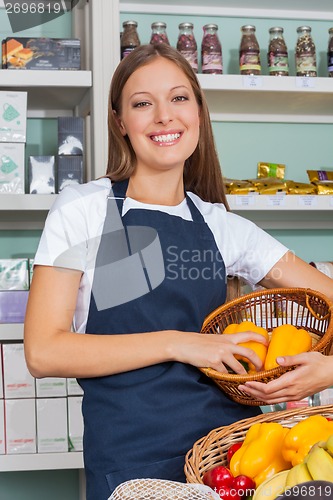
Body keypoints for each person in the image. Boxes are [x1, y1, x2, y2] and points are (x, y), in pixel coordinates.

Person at [24, 43, 333, 499]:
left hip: (231, 461)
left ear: (199, 113)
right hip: (134, 468)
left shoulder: (223, 227)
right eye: (142, 103)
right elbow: (44, 351)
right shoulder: (85, 210)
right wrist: (184, 344)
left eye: (179, 98)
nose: (164, 116)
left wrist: (328, 371)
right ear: (120, 122)